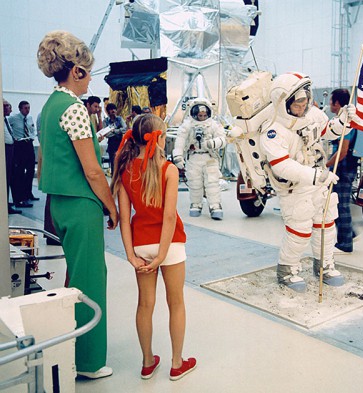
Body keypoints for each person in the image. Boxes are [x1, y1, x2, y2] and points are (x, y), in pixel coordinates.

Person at [37, 30, 118, 379]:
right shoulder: (73, 108)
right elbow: (93, 170)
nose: (89, 81)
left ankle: (70, 344)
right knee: (90, 279)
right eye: (87, 71)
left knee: (72, 276)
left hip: (57, 204)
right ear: (77, 71)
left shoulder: (48, 107)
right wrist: (111, 206)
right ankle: (88, 361)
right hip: (81, 205)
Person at [110, 114, 197, 381]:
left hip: (140, 244)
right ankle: (176, 363)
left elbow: (125, 218)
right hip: (168, 245)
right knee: (176, 303)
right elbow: (169, 217)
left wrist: (131, 255)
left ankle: (147, 362)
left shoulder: (124, 169)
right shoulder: (168, 169)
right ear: (158, 139)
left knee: (145, 304)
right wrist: (162, 254)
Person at [259, 72, 357, 292]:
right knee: (299, 229)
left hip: (318, 180)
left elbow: (329, 132)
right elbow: (282, 165)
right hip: (296, 187)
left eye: (305, 101)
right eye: (297, 104)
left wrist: (343, 121)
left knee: (327, 224)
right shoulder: (273, 130)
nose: (302, 107)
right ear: (283, 103)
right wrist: (315, 176)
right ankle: (287, 269)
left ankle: (324, 264)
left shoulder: (312, 116)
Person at [172, 98, 227, 220]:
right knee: (194, 183)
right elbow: (180, 141)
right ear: (194, 113)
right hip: (194, 157)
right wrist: (178, 157)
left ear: (208, 113)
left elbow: (223, 139)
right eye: (199, 115)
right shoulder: (187, 125)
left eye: (204, 115)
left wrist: (212, 143)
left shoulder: (213, 124)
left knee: (212, 183)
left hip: (209, 157)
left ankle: (215, 205)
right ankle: (196, 204)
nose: (202, 117)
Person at [325, 88, 358, 254]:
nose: (330, 104)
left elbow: (343, 151)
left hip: (343, 169)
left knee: (341, 205)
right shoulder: (342, 120)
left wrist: (326, 165)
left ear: (337, 103)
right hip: (346, 167)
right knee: (337, 203)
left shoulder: (346, 123)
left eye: (331, 101)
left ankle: (345, 243)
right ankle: (349, 233)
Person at [9, 100, 38, 208]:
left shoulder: (29, 118)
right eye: (25, 108)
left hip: (28, 144)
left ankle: (28, 193)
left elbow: (31, 128)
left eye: (29, 108)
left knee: (30, 170)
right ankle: (21, 197)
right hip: (19, 145)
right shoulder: (13, 118)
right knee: (20, 171)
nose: (27, 110)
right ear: (20, 109)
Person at [3, 99, 21, 214]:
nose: (11, 109)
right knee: (5, 177)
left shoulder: (6, 120)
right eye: (9, 106)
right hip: (5, 150)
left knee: (10, 176)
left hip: (10, 149)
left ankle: (7, 201)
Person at [103, 102, 127, 175]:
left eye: (114, 109)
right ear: (108, 111)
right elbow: (106, 134)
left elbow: (125, 129)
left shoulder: (120, 119)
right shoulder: (106, 121)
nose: (113, 111)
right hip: (111, 144)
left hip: (120, 143)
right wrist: (118, 131)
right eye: (111, 110)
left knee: (121, 161)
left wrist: (114, 131)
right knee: (113, 162)